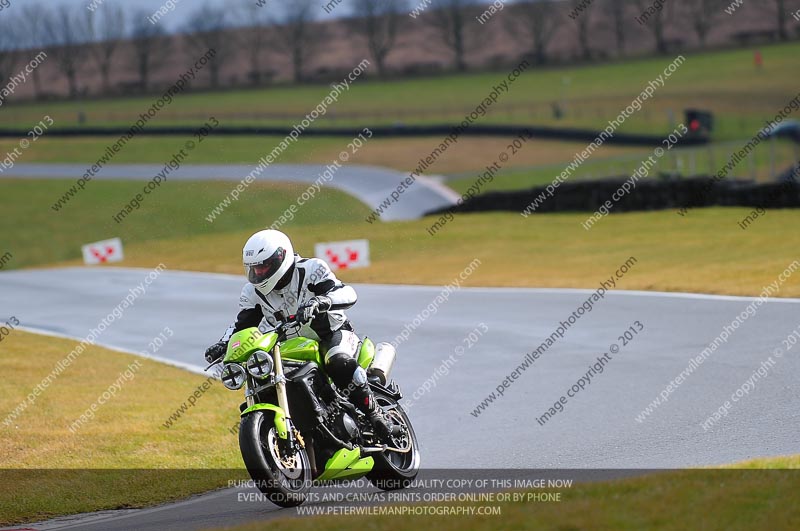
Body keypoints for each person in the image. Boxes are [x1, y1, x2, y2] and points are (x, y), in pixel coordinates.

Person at [204, 229, 392, 438]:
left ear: (280, 258)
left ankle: (376, 415)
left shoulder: (311, 269)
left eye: (263, 266)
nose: (258, 273)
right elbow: (242, 324)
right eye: (254, 268)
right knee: (265, 380)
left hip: (330, 334)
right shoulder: (252, 292)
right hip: (290, 348)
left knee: (338, 362)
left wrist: (322, 301)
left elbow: (348, 292)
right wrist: (223, 343)